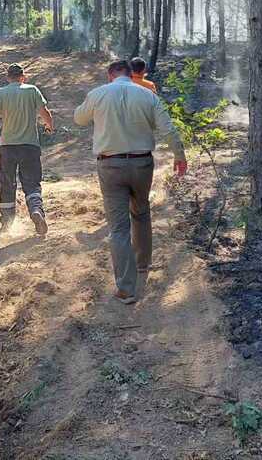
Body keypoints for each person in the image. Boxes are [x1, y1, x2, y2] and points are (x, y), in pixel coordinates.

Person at [74, 60, 187, 304]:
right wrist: (179, 155)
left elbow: (79, 119)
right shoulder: (148, 95)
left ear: (110, 75)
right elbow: (168, 129)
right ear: (131, 73)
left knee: (118, 227)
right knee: (142, 212)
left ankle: (126, 288)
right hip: (141, 163)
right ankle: (143, 266)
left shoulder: (99, 94)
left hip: (110, 165)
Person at [0, 63, 54, 236]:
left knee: (7, 182)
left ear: (8, 77)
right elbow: (45, 113)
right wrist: (49, 127)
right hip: (30, 146)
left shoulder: (1, 93)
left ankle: (7, 222)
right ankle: (36, 210)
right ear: (23, 77)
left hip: (7, 146)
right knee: (32, 182)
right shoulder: (32, 90)